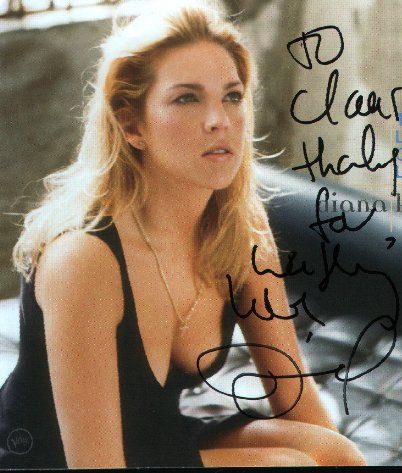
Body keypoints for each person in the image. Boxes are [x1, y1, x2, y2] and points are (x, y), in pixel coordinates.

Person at [0, 0, 366, 468]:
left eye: (232, 96)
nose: (219, 120)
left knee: (334, 452)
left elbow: (301, 407)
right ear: (132, 125)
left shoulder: (241, 236)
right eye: (187, 98)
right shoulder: (84, 258)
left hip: (153, 439)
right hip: (55, 460)